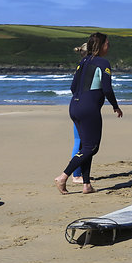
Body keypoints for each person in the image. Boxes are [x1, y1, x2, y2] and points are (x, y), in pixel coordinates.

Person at [54, 32, 123, 194]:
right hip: (89, 109)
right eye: (107, 44)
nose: (109, 46)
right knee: (92, 147)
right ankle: (63, 177)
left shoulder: (83, 62)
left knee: (86, 146)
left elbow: (72, 87)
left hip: (74, 106)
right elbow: (107, 89)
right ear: (100, 46)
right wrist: (115, 105)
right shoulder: (103, 62)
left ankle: (86, 185)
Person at [69, 42, 87, 184]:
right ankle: (76, 175)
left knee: (78, 141)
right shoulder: (87, 66)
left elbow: (73, 87)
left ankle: (78, 173)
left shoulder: (80, 66)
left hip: (75, 104)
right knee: (80, 141)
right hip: (83, 106)